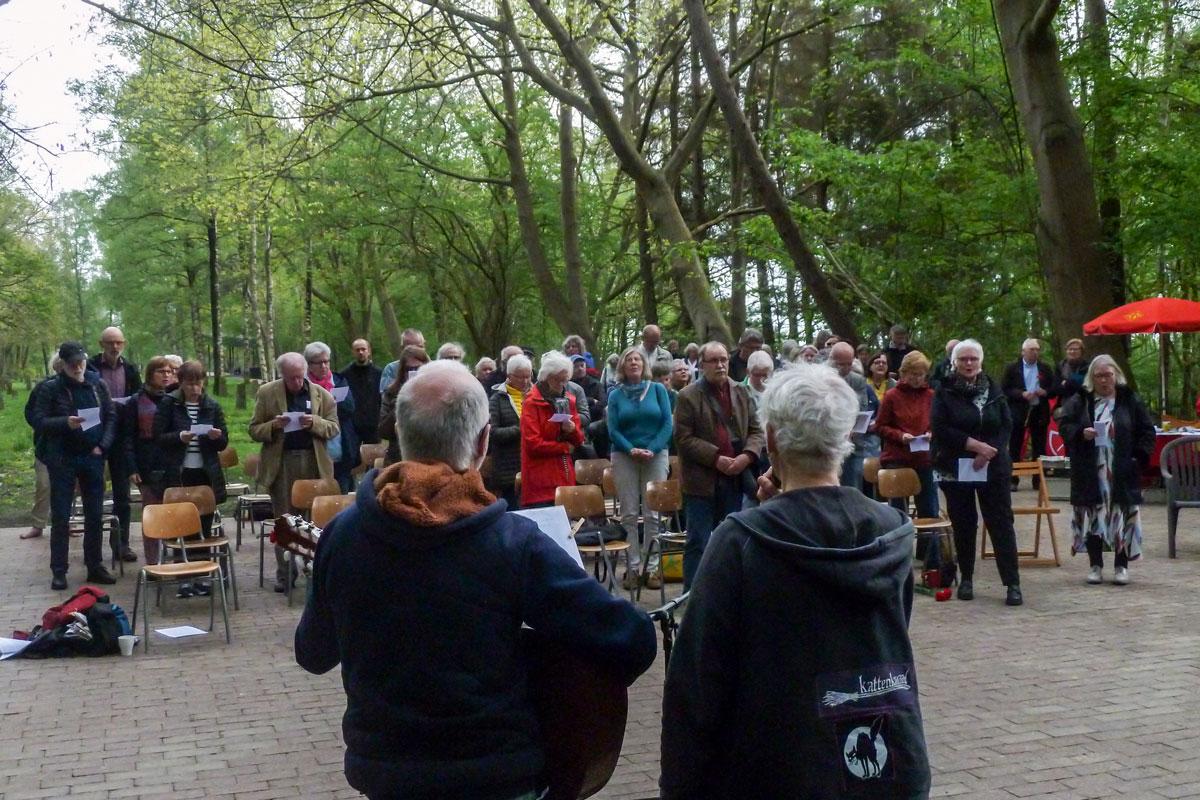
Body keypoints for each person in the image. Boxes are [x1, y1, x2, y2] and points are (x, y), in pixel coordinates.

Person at [295, 359, 656, 800]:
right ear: (484, 441)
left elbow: (313, 653)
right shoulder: (512, 541)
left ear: (401, 435)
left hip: (387, 775)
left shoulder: (344, 534)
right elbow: (631, 639)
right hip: (495, 774)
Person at [660, 363, 931, 799]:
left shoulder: (738, 543)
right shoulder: (892, 530)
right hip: (886, 761)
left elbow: (696, 686)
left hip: (781, 767)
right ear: (846, 438)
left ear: (769, 439)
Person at [931, 339, 1023, 606]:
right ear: (954, 363)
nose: (968, 363)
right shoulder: (944, 392)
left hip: (993, 466)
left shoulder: (994, 389)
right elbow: (940, 428)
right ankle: (967, 579)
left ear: (981, 361)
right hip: (956, 465)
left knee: (1001, 522)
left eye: (973, 359)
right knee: (964, 523)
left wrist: (989, 450)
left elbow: (1006, 425)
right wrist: (974, 446)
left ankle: (1012, 583)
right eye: (963, 360)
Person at [1058, 355, 1155, 585]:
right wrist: (1081, 433)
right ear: (1092, 377)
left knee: (1121, 514)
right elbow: (1065, 425)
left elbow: (1147, 431)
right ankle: (1095, 565)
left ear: (1116, 374)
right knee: (1094, 515)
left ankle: (1121, 566)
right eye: (1099, 376)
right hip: (1091, 469)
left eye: (1108, 375)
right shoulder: (1081, 399)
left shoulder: (1129, 399)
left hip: (1121, 469)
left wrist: (1137, 458)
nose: (1104, 380)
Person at [674, 341, 763, 589]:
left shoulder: (741, 392)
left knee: (731, 540)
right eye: (714, 360)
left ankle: (727, 594)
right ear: (702, 365)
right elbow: (683, 439)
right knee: (698, 542)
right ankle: (690, 598)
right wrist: (716, 459)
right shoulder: (688, 396)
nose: (721, 365)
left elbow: (756, 431)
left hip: (735, 476)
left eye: (724, 359)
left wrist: (746, 456)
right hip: (701, 480)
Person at [250, 352, 340, 592]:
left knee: (312, 520)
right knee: (285, 520)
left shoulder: (322, 395)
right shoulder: (267, 393)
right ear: (282, 376)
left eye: (300, 377)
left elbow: (333, 428)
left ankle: (314, 571)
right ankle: (285, 575)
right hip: (282, 463)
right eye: (292, 378)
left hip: (313, 461)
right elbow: (254, 429)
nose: (297, 382)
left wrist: (315, 423)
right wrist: (274, 426)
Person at [32, 341, 118, 589]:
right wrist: (64, 423)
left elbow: (110, 416)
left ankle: (95, 566)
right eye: (72, 363)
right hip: (62, 459)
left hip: (92, 456)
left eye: (81, 361)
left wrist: (102, 446)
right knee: (61, 516)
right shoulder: (51, 389)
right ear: (63, 364)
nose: (78, 366)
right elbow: (38, 420)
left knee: (94, 514)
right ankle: (59, 570)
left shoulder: (97, 383)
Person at [154, 360, 230, 596]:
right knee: (181, 525)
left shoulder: (212, 406)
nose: (194, 389)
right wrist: (179, 437)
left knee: (203, 526)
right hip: (180, 471)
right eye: (189, 384)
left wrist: (216, 437)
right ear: (181, 383)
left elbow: (223, 441)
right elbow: (158, 436)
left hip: (205, 472)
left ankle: (203, 575)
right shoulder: (169, 404)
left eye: (198, 384)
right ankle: (183, 576)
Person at [607, 347, 673, 591]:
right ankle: (633, 567)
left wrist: (653, 448)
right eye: (628, 360)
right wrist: (630, 449)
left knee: (654, 512)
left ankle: (652, 566)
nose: (633, 362)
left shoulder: (657, 390)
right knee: (630, 514)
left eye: (637, 359)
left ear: (644, 364)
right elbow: (613, 429)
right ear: (622, 367)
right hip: (624, 455)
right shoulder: (615, 395)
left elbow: (667, 423)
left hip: (655, 455)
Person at [87, 326, 141, 562]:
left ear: (124, 344)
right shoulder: (90, 368)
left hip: (121, 436)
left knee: (122, 495)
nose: (114, 347)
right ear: (101, 344)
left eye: (118, 342)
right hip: (96, 435)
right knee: (94, 494)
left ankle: (121, 545)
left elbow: (138, 397)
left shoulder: (130, 369)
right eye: (110, 343)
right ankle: (93, 550)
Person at [122, 356, 175, 564]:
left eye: (169, 371)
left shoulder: (175, 399)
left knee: (172, 512)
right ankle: (153, 562)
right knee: (151, 513)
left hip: (171, 462)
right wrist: (131, 467)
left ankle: (176, 559)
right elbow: (127, 437)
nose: (166, 375)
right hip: (146, 463)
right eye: (161, 371)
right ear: (150, 374)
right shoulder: (135, 402)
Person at [875, 351, 938, 518]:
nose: (917, 378)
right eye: (913, 374)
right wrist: (900, 436)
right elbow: (880, 426)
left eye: (921, 375)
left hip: (924, 458)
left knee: (929, 511)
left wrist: (931, 433)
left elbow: (937, 423)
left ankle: (929, 544)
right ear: (903, 373)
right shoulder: (891, 396)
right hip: (897, 459)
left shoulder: (931, 396)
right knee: (898, 513)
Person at [519, 352, 584, 507]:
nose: (562, 385)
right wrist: (564, 448)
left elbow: (579, 440)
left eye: (565, 380)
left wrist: (572, 430)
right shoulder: (531, 403)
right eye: (558, 380)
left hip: (564, 476)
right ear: (546, 377)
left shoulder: (569, 401)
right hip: (539, 480)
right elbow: (533, 444)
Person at [1001, 338, 1057, 489]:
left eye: (1037, 350)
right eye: (1032, 349)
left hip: (1039, 411)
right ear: (1023, 351)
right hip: (1019, 411)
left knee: (1039, 446)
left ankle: (1038, 480)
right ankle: (1013, 479)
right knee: (1015, 446)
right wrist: (1021, 394)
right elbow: (1004, 389)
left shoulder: (1045, 368)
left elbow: (1054, 389)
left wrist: (1045, 392)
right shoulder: (1013, 368)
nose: (1035, 352)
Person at [307, 341, 360, 492]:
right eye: (318, 363)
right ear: (309, 365)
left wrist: (324, 408)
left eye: (326, 361)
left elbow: (349, 408)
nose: (323, 366)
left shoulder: (339, 380)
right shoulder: (304, 385)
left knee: (341, 495)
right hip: (315, 452)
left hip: (340, 449)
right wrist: (332, 404)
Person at [22, 357, 64, 541]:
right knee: (44, 485)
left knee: (65, 488)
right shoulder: (43, 387)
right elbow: (30, 413)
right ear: (56, 366)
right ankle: (38, 525)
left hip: (71, 447)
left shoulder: (81, 387)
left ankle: (64, 523)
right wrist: (45, 427)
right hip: (45, 445)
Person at [828, 342, 878, 491]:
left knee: (853, 482)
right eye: (840, 364)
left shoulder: (857, 380)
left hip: (853, 438)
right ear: (831, 361)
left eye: (849, 364)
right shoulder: (820, 378)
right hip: (828, 438)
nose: (845, 368)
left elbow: (861, 407)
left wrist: (852, 427)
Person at [487, 354, 532, 509]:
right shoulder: (497, 400)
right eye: (521, 377)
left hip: (532, 464)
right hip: (508, 469)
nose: (525, 381)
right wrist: (520, 429)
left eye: (528, 376)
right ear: (509, 376)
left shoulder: (536, 395)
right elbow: (493, 433)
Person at [378, 346, 431, 464]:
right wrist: (402, 403)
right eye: (408, 369)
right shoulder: (391, 393)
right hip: (398, 457)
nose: (412, 372)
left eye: (417, 368)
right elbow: (383, 431)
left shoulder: (436, 392)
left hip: (429, 457)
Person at [339, 338, 383, 445]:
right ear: (353, 352)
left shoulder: (379, 374)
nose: (361, 352)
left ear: (369, 351)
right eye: (357, 350)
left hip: (374, 424)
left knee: (373, 457)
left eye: (363, 349)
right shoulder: (344, 375)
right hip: (352, 425)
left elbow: (382, 398)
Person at [378, 327, 427, 392]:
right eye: (410, 349)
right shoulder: (391, 369)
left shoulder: (434, 367)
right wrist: (399, 379)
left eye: (419, 347)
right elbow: (386, 396)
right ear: (402, 349)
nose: (415, 351)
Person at [1055, 338, 1089, 405]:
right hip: (1063, 405)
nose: (1072, 351)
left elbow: (1083, 388)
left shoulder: (1086, 367)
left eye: (1076, 349)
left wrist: (1065, 383)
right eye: (1070, 349)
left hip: (1083, 404)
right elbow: (1055, 388)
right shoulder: (1060, 366)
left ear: (1081, 351)